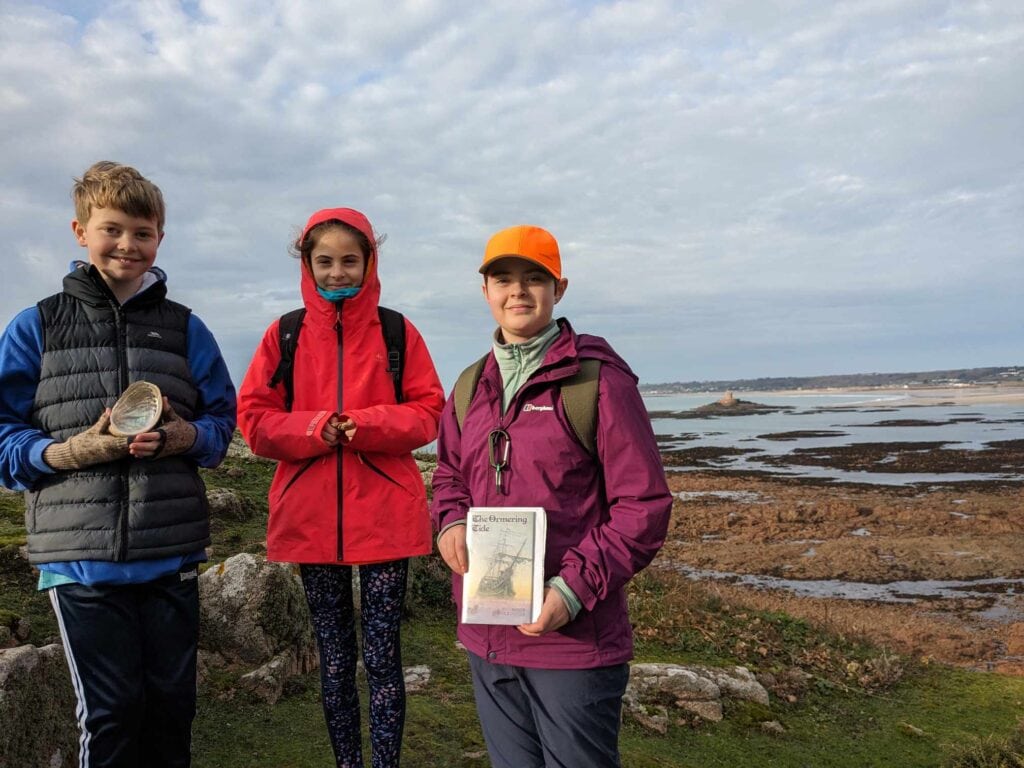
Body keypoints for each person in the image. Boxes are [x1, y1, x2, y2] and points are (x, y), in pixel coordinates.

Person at [0, 160, 237, 767]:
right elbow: (3, 438)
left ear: (160, 237)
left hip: (172, 554)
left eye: (142, 232)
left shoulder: (186, 328)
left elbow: (221, 426)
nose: (127, 245)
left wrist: (183, 436)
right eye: (112, 229)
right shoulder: (36, 326)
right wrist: (67, 450)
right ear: (80, 230)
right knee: (109, 714)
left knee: (171, 710)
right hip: (79, 562)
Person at [430, 224, 672, 768]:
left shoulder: (598, 382)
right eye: (504, 278)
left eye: (534, 277)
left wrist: (571, 591)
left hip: (574, 640)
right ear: (486, 291)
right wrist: (448, 523)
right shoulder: (470, 385)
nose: (518, 291)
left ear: (558, 288)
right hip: (487, 631)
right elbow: (449, 472)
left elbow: (644, 507)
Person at [237, 207, 444, 768]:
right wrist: (313, 426)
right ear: (306, 263)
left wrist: (367, 425)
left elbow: (429, 413)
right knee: (333, 659)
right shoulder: (284, 333)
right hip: (310, 517)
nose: (336, 272)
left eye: (349, 260)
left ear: (370, 261)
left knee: (381, 658)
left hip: (386, 518)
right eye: (324, 261)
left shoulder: (398, 330)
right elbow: (253, 420)